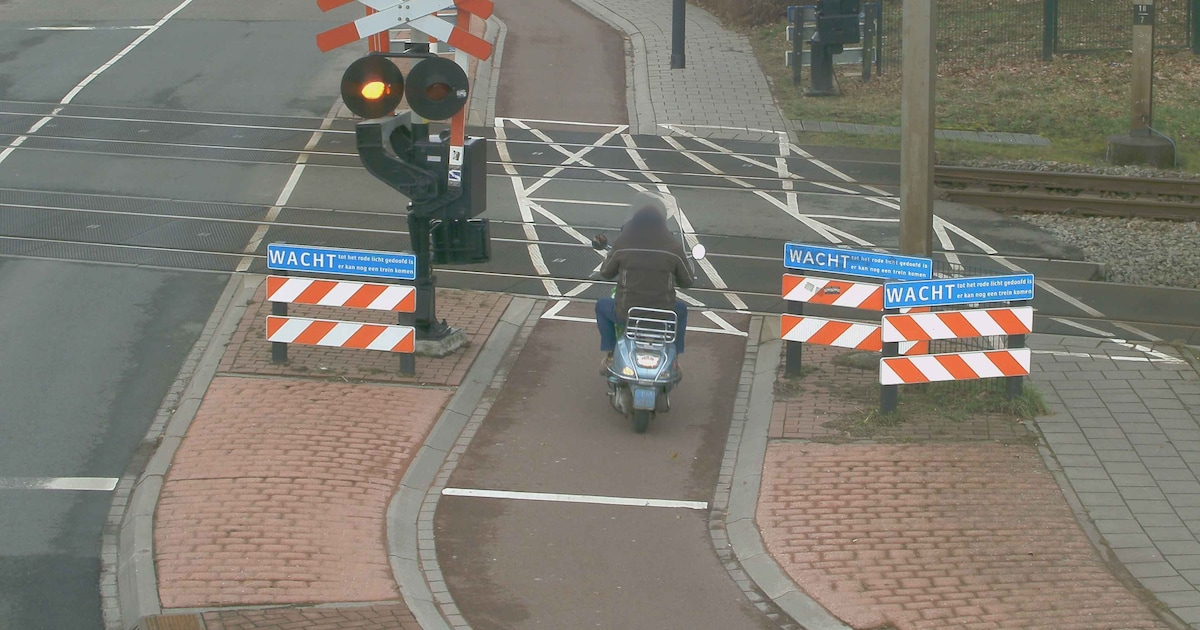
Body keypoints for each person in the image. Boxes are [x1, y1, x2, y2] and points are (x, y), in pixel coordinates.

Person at [595, 192, 694, 375]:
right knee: (681, 310)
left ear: (635, 217)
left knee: (602, 306)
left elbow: (605, 273)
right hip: (663, 315)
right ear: (663, 219)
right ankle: (676, 359)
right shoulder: (673, 246)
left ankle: (610, 354)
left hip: (627, 314)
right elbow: (687, 281)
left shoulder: (624, 242)